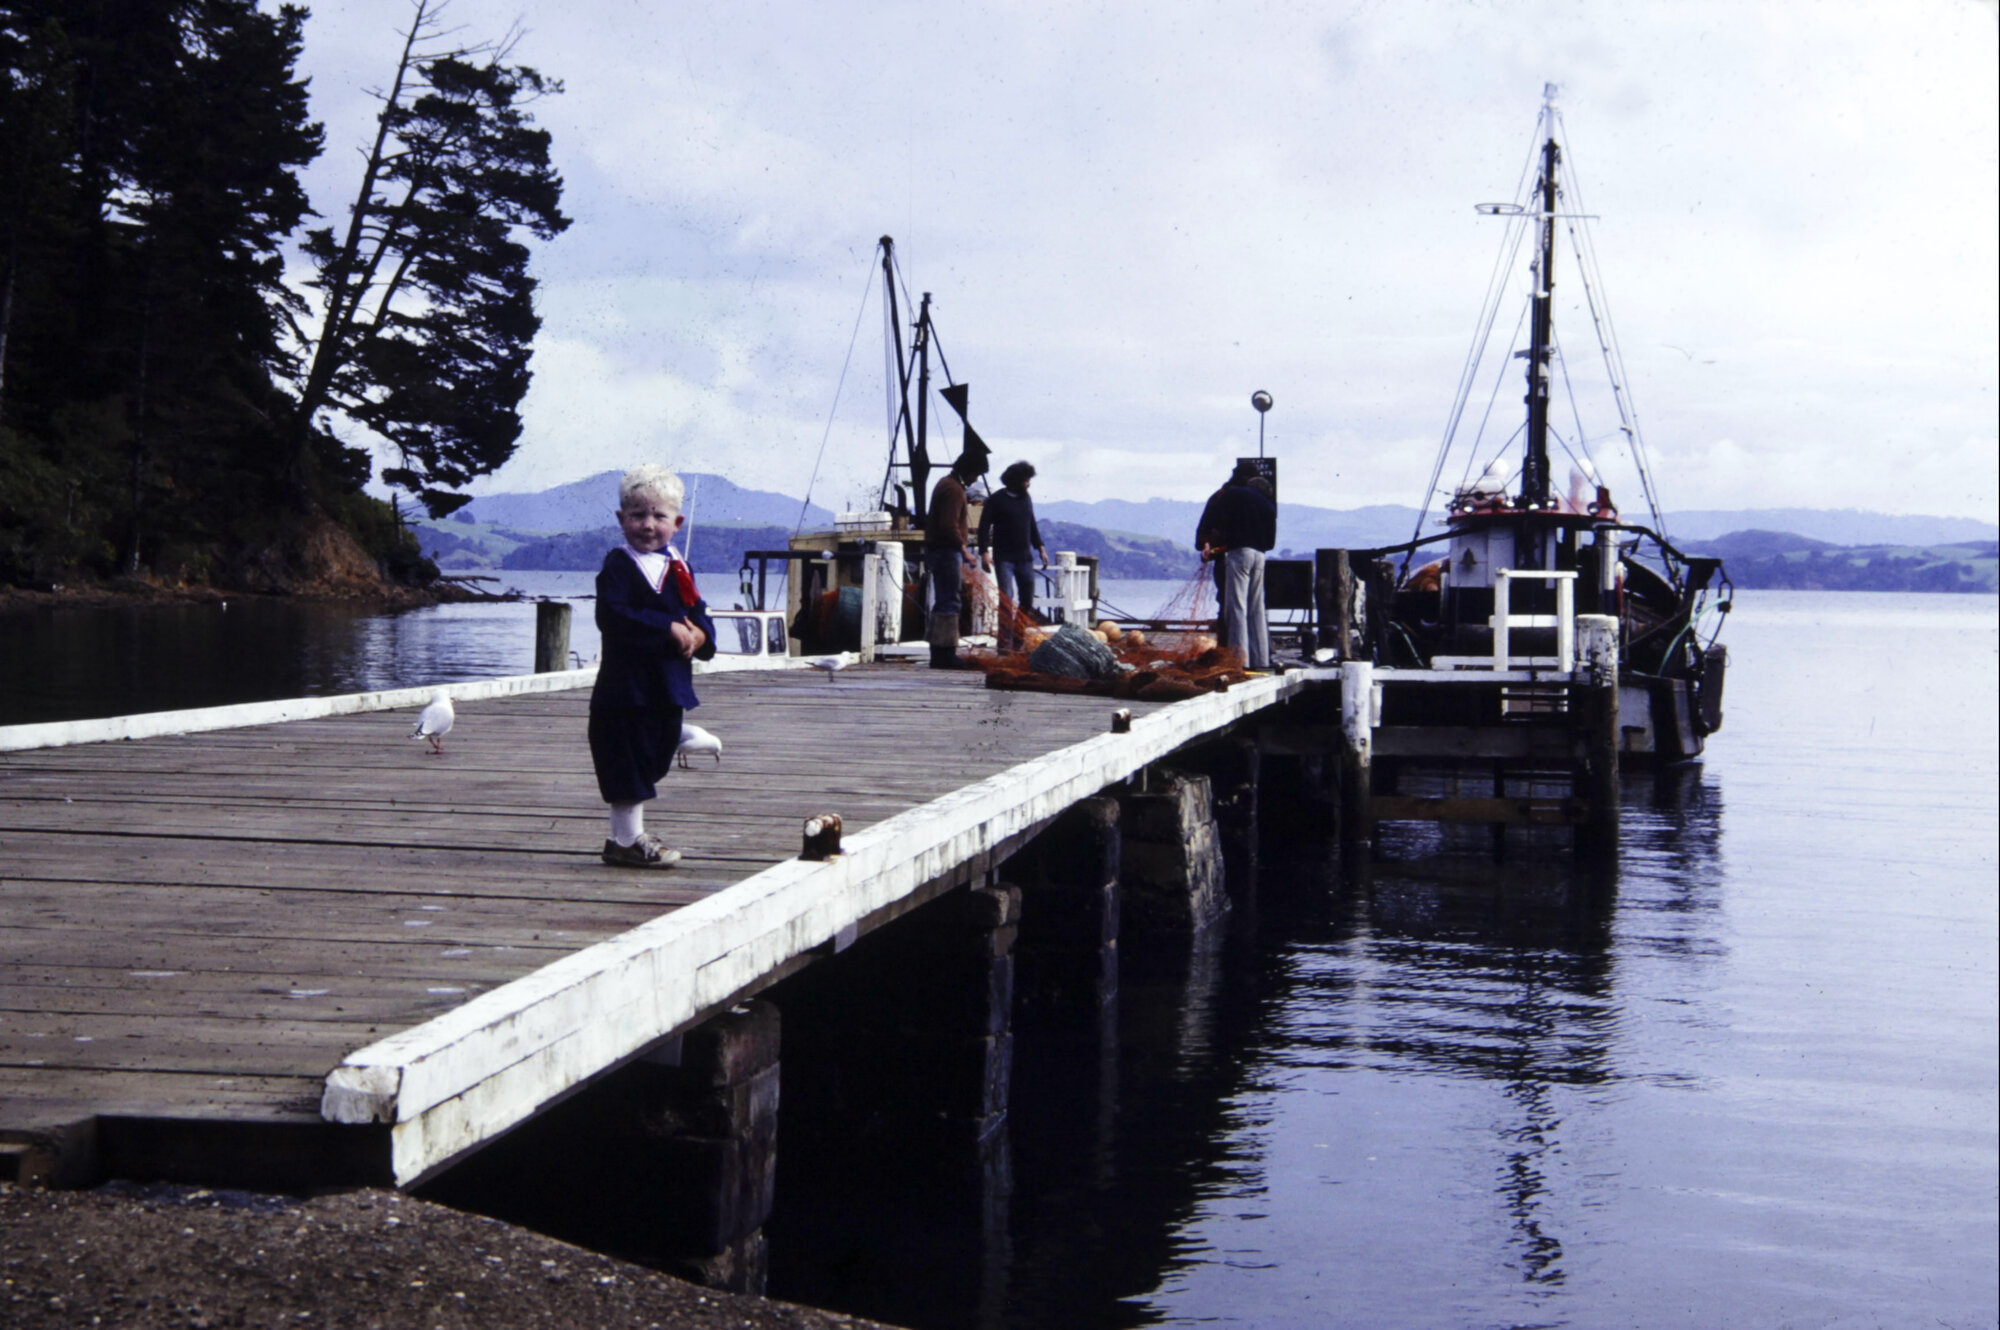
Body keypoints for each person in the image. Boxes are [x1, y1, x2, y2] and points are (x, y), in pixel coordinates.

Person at [588, 464, 717, 868]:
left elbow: (697, 610)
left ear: (676, 522)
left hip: (665, 687)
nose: (648, 525)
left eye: (659, 516)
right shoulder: (618, 566)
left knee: (651, 754)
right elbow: (613, 615)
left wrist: (700, 636)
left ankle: (623, 838)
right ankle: (626, 840)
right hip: (626, 689)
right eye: (638, 515)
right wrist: (667, 627)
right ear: (621, 519)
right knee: (627, 760)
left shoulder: (678, 565)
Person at [1195, 461, 1277, 670]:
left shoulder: (1229, 493)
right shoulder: (1268, 503)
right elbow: (1270, 543)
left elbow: (1212, 519)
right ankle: (1262, 659)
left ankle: (1240, 660)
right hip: (1260, 556)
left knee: (1236, 607)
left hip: (1238, 555)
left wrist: (1209, 545)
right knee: (1257, 607)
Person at [977, 460, 1050, 653]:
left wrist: (1040, 546)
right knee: (1007, 600)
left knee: (1027, 600)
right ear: (1016, 480)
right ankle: (1004, 644)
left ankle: (1018, 640)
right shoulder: (996, 500)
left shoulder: (1026, 498)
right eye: (1026, 480)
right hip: (1004, 558)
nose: (1029, 483)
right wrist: (984, 551)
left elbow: (1031, 523)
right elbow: (984, 527)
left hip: (1025, 557)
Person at [924, 452, 985, 669]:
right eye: (976, 474)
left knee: (944, 600)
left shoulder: (946, 484)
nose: (975, 479)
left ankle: (939, 653)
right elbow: (948, 526)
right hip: (946, 552)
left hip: (939, 551)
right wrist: (965, 550)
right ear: (967, 471)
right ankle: (945, 655)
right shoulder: (954, 490)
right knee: (950, 600)